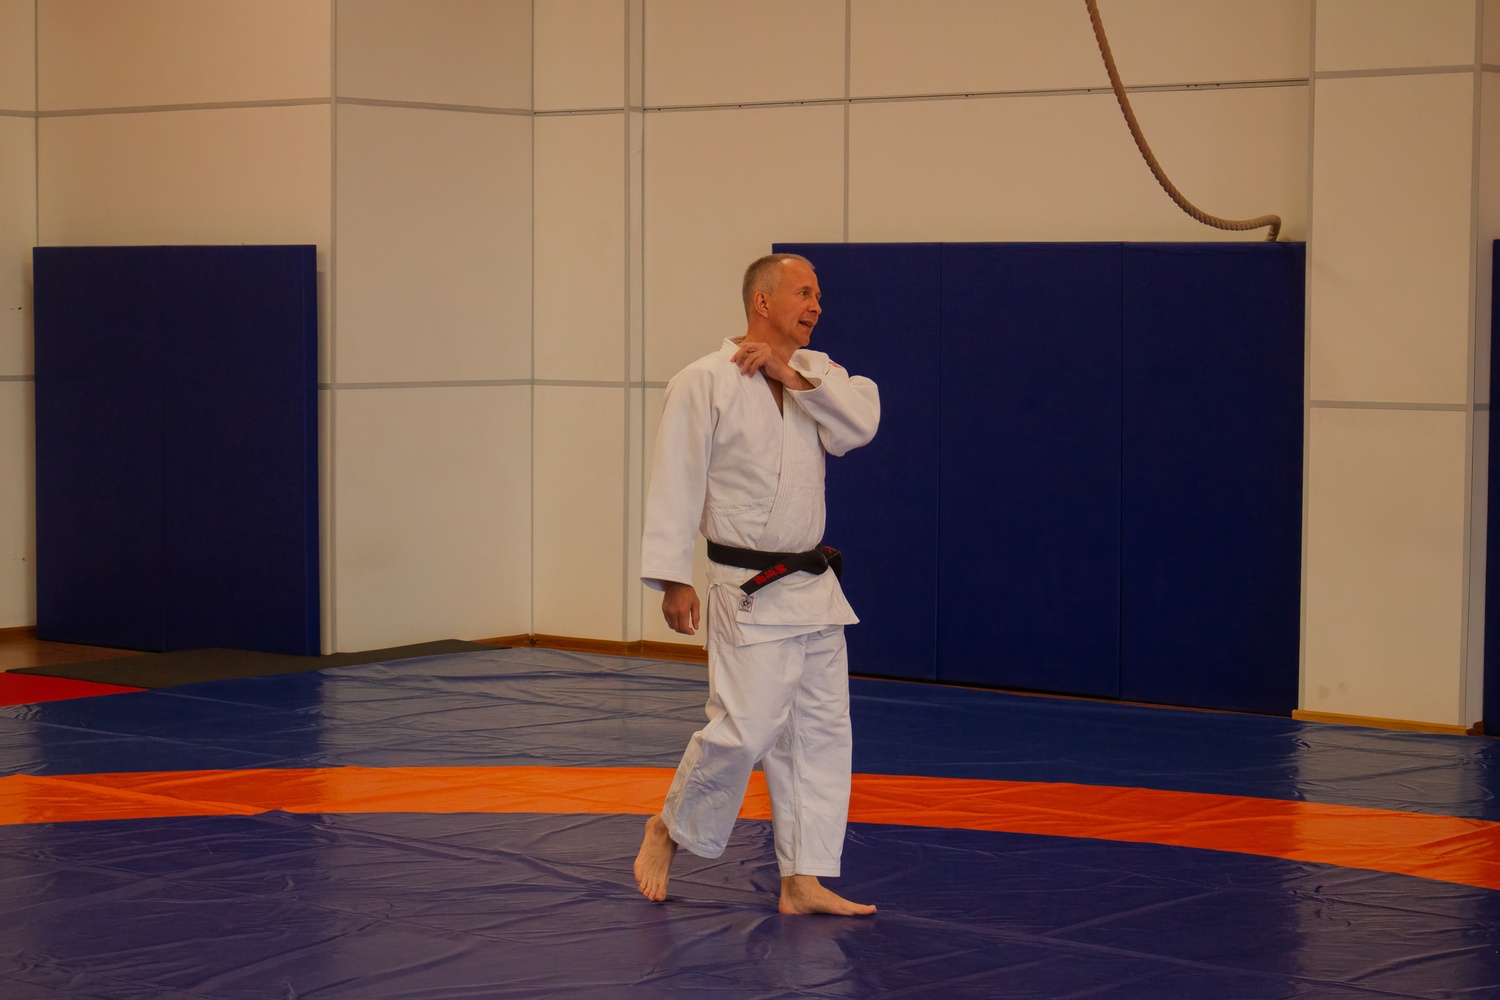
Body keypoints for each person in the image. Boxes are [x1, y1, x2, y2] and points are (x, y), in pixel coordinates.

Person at [633, 253, 880, 916]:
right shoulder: (704, 381)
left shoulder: (817, 374)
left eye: (819, 295)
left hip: (814, 586)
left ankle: (802, 880)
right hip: (746, 585)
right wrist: (672, 579)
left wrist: (789, 374)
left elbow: (860, 426)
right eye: (803, 292)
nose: (816, 305)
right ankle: (669, 828)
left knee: (820, 734)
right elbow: (676, 479)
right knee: (745, 729)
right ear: (761, 302)